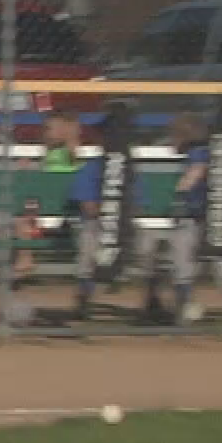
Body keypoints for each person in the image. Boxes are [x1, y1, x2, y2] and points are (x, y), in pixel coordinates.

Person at [162, 111, 222, 324]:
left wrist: (180, 197)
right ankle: (184, 306)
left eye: (175, 135)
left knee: (220, 260)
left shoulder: (200, 152)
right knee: (183, 256)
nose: (171, 140)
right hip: (200, 214)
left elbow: (196, 171)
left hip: (216, 214)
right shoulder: (205, 151)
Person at [63, 110, 142, 318]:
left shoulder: (129, 170)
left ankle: (155, 303)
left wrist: (118, 219)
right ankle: (83, 301)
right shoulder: (92, 167)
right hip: (96, 224)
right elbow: (88, 207)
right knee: (90, 241)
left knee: (146, 243)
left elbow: (137, 205)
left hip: (122, 225)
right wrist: (110, 215)